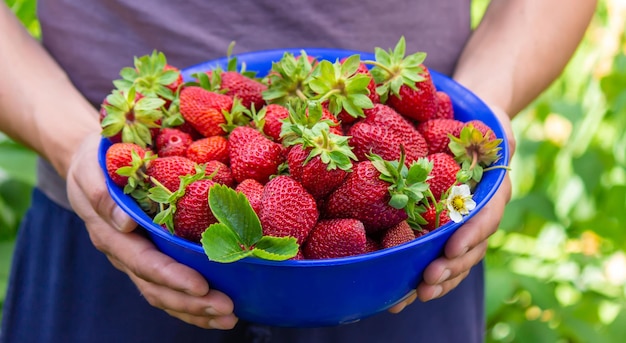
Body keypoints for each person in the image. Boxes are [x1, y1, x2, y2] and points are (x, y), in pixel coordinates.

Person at [0, 0, 596, 342]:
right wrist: (71, 139)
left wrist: (484, 109)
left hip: (413, 251)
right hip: (117, 224)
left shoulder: (397, 178)